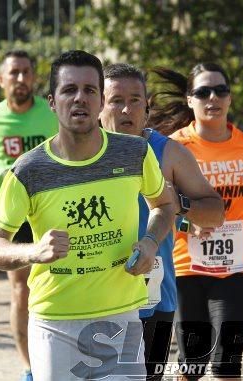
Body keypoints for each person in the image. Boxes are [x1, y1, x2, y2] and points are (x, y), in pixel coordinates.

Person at [0, 50, 176, 381]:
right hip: (55, 324)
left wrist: (150, 241)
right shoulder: (29, 170)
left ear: (101, 102)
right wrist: (33, 251)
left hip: (124, 317)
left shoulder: (134, 153)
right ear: (52, 102)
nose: (80, 99)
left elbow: (164, 205)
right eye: (69, 90)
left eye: (90, 90)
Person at [148, 63, 243, 379]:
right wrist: (188, 221)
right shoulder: (174, 147)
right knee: (192, 363)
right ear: (189, 99)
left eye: (220, 90)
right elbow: (162, 209)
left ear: (230, 98)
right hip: (188, 268)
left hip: (239, 267)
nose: (213, 97)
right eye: (203, 91)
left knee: (228, 361)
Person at [99, 63, 225, 380]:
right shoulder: (77, 153)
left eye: (135, 100)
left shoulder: (169, 154)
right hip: (94, 291)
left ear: (147, 107)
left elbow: (215, 211)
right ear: (99, 105)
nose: (126, 109)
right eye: (115, 100)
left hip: (153, 296)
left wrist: (177, 202)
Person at [0, 50, 58, 381]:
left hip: (52, 212)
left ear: (34, 77)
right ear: (1, 80)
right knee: (21, 290)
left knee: (55, 284)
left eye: (26, 72)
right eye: (14, 73)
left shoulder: (51, 115)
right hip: (12, 218)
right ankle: (28, 365)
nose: (21, 79)